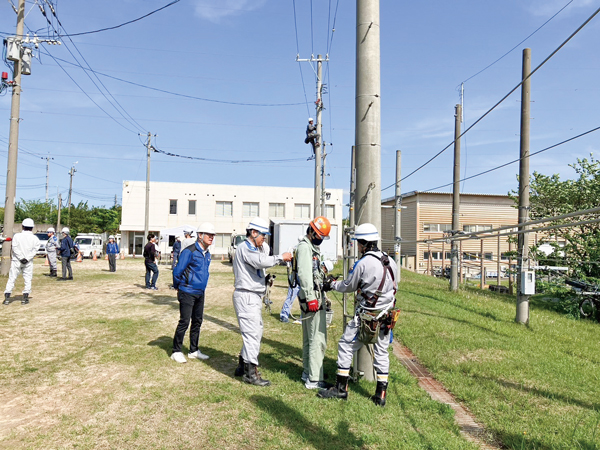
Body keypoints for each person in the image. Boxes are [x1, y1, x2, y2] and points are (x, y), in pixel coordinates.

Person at [318, 223, 399, 407]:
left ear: (363, 243)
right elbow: (394, 287)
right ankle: (381, 394)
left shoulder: (363, 263)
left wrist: (331, 284)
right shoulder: (391, 262)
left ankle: (341, 388)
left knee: (346, 345)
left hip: (366, 317)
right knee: (381, 352)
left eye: (358, 243)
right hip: (386, 316)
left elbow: (349, 286)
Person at [232, 217, 292, 386]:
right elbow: (260, 262)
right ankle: (251, 374)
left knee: (255, 332)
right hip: (246, 296)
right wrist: (281, 257)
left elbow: (259, 264)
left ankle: (242, 366)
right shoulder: (245, 248)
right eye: (263, 235)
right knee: (252, 335)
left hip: (252, 295)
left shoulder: (255, 248)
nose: (264, 239)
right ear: (253, 232)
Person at [295, 216, 332, 389]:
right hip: (312, 299)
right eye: (320, 236)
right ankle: (315, 379)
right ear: (313, 232)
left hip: (314, 297)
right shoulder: (305, 248)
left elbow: (312, 273)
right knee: (317, 338)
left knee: (310, 337)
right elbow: (303, 274)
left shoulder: (310, 248)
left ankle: (307, 373)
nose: (321, 240)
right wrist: (310, 297)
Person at [170, 223, 215, 363]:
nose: (211, 238)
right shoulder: (189, 251)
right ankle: (176, 351)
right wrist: (179, 286)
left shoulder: (207, 254)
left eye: (213, 235)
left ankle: (193, 350)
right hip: (187, 291)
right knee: (184, 321)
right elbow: (177, 271)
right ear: (200, 235)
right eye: (209, 235)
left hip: (200, 292)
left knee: (197, 321)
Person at [3, 218, 40, 305]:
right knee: (27, 279)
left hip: (17, 261)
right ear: (32, 227)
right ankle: (25, 297)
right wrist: (27, 258)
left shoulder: (17, 236)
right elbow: (35, 250)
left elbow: (14, 247)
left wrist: (20, 257)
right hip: (28, 261)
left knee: (12, 278)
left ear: (22, 226)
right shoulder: (35, 238)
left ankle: (7, 297)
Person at [280, 235, 304, 323]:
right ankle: (284, 314)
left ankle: (302, 316)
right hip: (296, 275)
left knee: (301, 297)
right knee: (292, 296)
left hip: (300, 275)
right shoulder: (296, 249)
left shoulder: (296, 249)